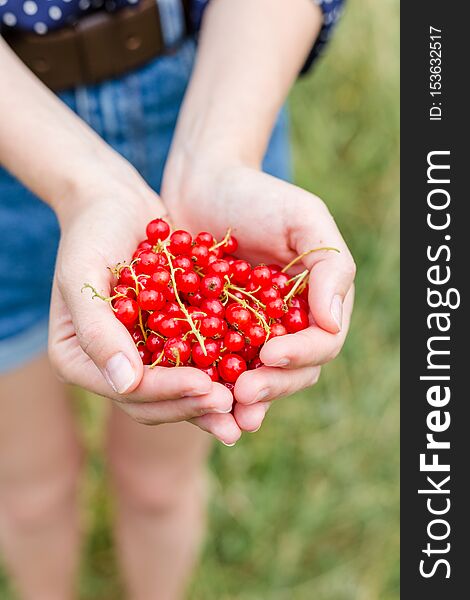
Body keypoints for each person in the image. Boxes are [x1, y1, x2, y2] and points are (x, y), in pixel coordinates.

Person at [0, 0, 355, 598]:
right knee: (28, 491)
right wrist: (83, 185)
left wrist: (217, 155)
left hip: (215, 90)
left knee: (159, 485)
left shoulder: (203, 287)